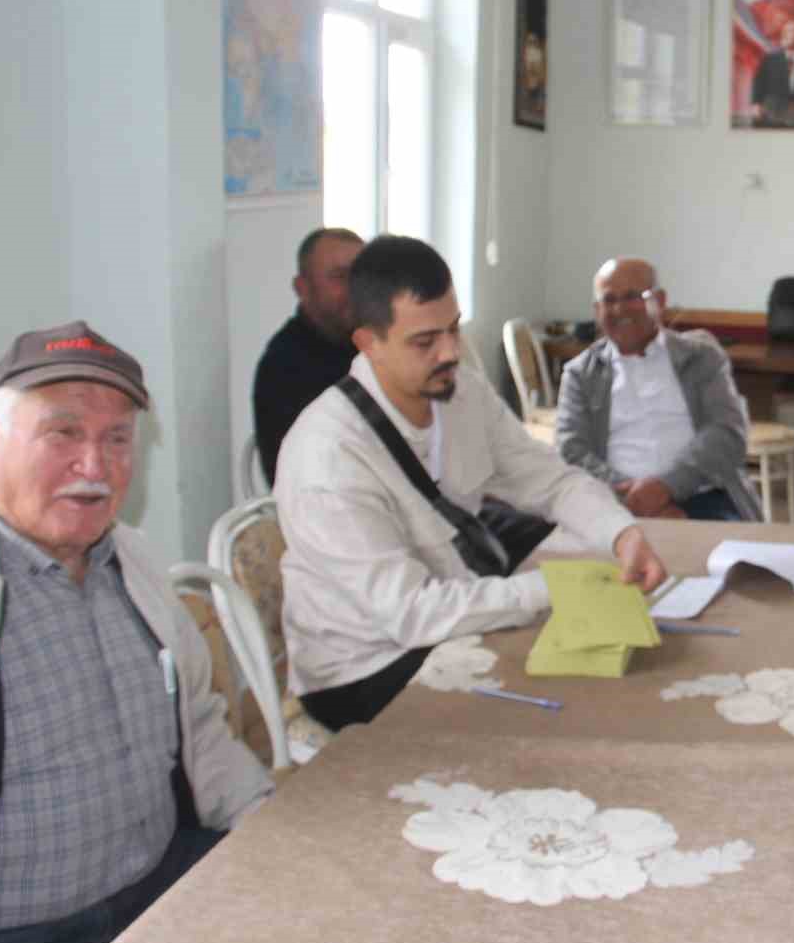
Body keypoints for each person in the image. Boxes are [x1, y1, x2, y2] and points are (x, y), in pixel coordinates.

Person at [0, 321, 272, 943]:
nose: (94, 467)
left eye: (117, 439)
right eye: (63, 432)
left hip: (169, 887)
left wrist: (272, 831)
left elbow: (202, 733)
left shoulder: (132, 559)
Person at [275, 236, 668, 732]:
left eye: (453, 329)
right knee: (557, 705)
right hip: (363, 667)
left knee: (602, 669)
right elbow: (411, 614)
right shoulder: (327, 459)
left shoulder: (459, 391)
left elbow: (548, 479)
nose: (450, 352)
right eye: (425, 341)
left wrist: (622, 533)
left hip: (447, 614)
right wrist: (552, 588)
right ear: (368, 343)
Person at [555, 257, 760, 523]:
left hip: (704, 495)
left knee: (729, 562)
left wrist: (666, 487)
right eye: (609, 300)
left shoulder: (701, 357)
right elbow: (572, 451)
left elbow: (727, 433)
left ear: (660, 301)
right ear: (597, 311)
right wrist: (636, 498)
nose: (619, 309)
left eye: (631, 296)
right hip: (613, 500)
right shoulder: (580, 374)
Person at [252, 226, 364, 485]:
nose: (355, 289)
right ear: (302, 288)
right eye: (339, 277)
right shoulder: (284, 366)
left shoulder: (374, 346)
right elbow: (310, 476)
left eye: (361, 276)